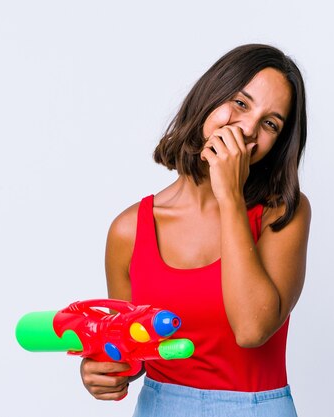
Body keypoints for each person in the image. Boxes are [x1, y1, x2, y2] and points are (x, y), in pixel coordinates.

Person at [80, 43, 311, 417]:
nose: (248, 129)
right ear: (209, 97)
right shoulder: (129, 230)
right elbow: (132, 352)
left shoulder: (282, 213)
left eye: (270, 124)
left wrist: (230, 196)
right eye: (240, 103)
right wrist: (104, 372)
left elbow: (252, 329)